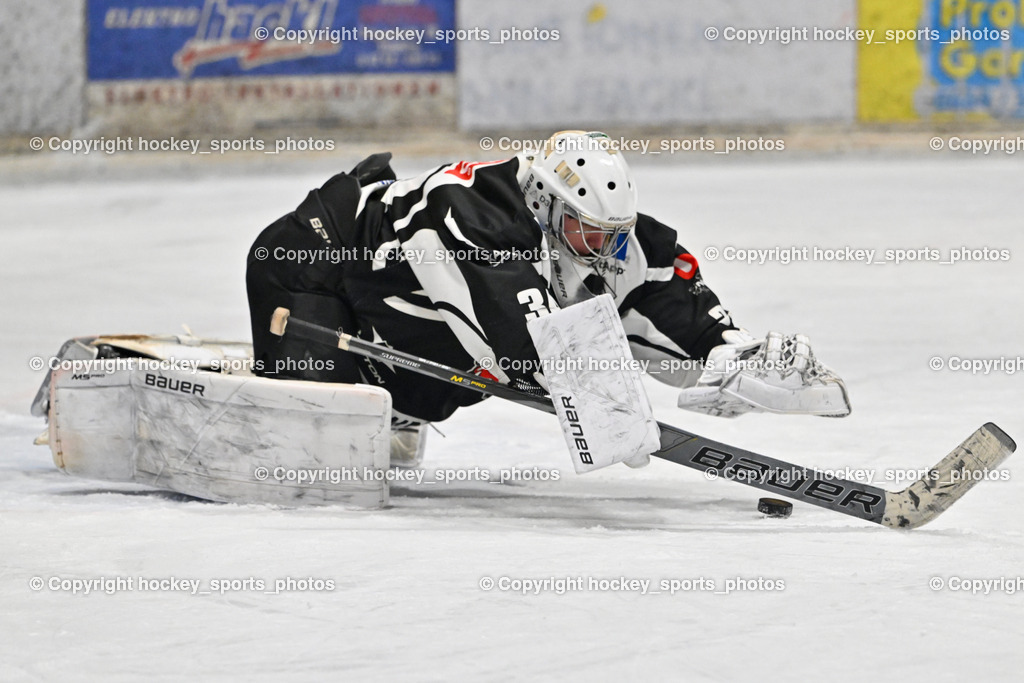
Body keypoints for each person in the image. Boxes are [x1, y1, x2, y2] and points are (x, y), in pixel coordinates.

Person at [246, 131, 850, 465]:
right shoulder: (474, 217)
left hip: (395, 299)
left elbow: (663, 304)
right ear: (544, 202)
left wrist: (730, 356)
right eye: (589, 230)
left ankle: (395, 400)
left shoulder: (602, 234)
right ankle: (346, 390)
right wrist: (607, 409)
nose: (604, 247)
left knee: (449, 383)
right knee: (315, 456)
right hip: (312, 262)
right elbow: (516, 351)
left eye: (615, 232)